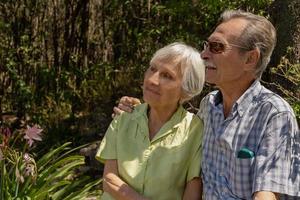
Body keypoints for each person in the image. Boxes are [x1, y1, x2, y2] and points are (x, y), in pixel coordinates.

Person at [113, 10, 300, 200]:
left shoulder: (274, 114)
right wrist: (137, 110)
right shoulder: (208, 105)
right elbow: (172, 134)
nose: (203, 54)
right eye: (206, 46)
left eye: (216, 47)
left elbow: (266, 196)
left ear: (250, 59)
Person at [96, 42, 206, 200]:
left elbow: (192, 192)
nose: (152, 80)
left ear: (186, 88)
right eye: (152, 69)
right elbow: (109, 179)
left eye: (167, 76)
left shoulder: (194, 130)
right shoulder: (125, 116)